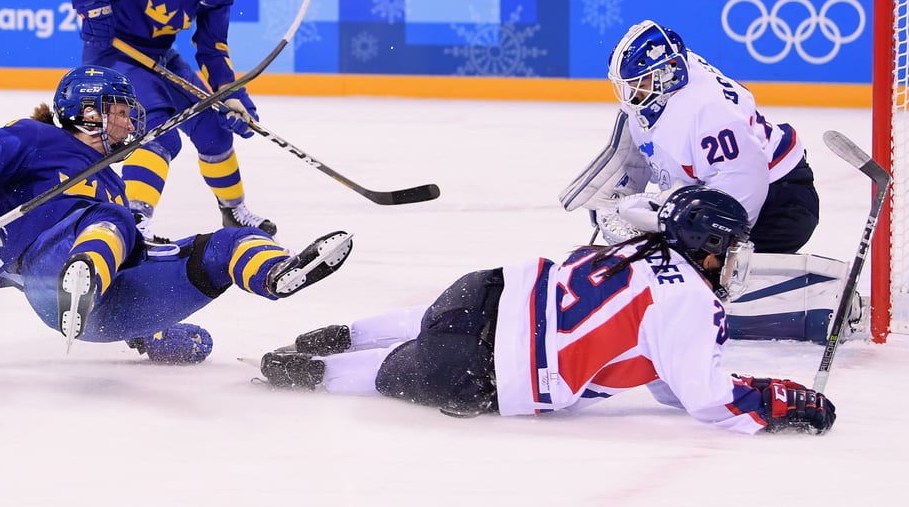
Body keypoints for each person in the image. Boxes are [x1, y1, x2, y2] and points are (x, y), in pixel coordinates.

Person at [257, 186, 836, 435]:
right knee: (378, 378)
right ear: (706, 249)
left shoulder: (641, 245)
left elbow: (668, 379)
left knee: (424, 318)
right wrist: (782, 400)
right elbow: (709, 400)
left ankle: (340, 333)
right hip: (477, 370)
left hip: (481, 289)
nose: (738, 261)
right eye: (731, 249)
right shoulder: (689, 303)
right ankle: (300, 370)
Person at [0, 65, 354, 360]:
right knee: (113, 222)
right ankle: (82, 283)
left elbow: (130, 253)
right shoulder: (34, 136)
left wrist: (151, 333)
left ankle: (277, 274)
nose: (128, 121)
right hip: (49, 280)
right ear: (87, 111)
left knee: (223, 244)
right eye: (118, 111)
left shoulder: (113, 184)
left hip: (111, 305)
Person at [66, 0, 274, 242]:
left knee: (213, 128)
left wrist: (229, 93)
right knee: (159, 132)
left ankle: (234, 211)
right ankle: (132, 219)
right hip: (115, 54)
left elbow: (211, 47)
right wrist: (90, 6)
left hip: (160, 55)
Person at [567, 19, 819, 255]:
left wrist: (715, 248)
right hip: (737, 186)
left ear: (668, 73)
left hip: (780, 204)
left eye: (638, 83)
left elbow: (746, 185)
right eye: (628, 84)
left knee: (698, 267)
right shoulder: (669, 81)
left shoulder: (711, 115)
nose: (631, 93)